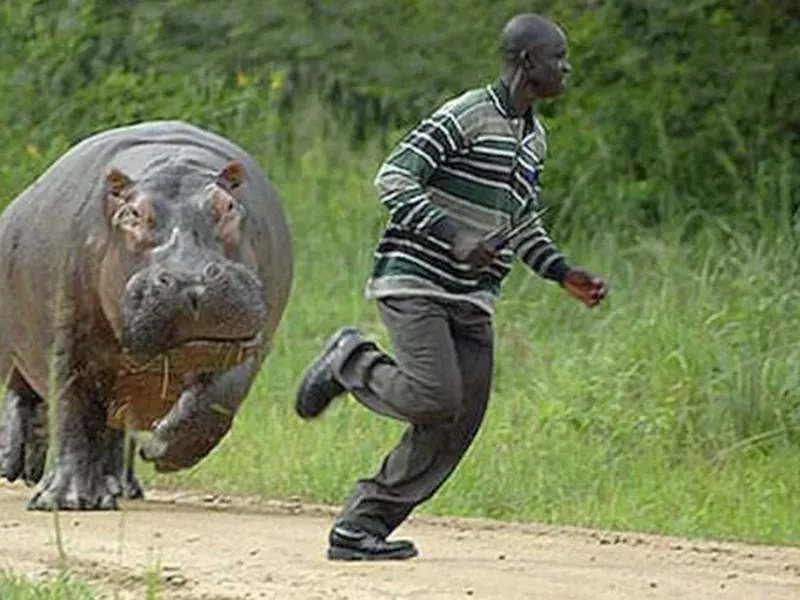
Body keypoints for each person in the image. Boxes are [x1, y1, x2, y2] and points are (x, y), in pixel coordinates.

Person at [294, 12, 609, 561]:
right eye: (558, 57)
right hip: (416, 280)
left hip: (472, 297)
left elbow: (521, 224)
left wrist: (562, 273)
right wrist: (454, 235)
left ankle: (360, 527)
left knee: (459, 418)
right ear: (527, 62)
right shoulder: (466, 115)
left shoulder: (533, 137)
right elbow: (393, 175)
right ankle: (351, 359)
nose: (568, 67)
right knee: (435, 396)